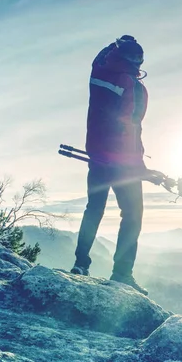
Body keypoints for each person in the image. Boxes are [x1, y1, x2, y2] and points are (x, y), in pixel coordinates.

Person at [71, 35, 150, 295]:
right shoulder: (132, 85)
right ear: (136, 61)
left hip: (96, 155)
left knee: (94, 208)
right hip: (122, 162)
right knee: (133, 215)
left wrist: (115, 44)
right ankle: (122, 274)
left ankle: (80, 264)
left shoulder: (99, 71)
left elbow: (99, 57)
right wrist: (138, 165)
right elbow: (130, 127)